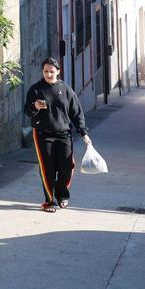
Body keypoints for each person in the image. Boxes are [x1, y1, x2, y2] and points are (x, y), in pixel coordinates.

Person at [25, 57, 91, 212]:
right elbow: (27, 111)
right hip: (43, 134)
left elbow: (77, 113)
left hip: (64, 134)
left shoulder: (66, 90)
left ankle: (62, 195)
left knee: (67, 166)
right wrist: (34, 106)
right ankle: (49, 201)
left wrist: (83, 133)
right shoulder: (35, 89)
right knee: (47, 168)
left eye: (52, 71)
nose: (48, 74)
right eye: (46, 71)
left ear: (58, 72)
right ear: (42, 72)